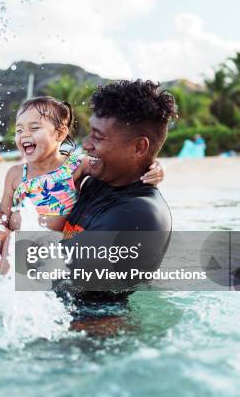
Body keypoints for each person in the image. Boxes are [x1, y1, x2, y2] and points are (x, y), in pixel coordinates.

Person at [0, 96, 164, 274]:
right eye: (19, 129)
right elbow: (3, 214)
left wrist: (154, 166)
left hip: (49, 244)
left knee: (15, 243)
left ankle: (7, 294)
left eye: (34, 128)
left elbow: (123, 161)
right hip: (14, 235)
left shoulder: (74, 165)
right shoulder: (15, 174)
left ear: (59, 134)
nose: (24, 135)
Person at [59, 79, 175, 301]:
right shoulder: (99, 179)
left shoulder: (140, 215)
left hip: (92, 330)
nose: (86, 144)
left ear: (139, 147)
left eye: (98, 137)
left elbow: (44, 267)